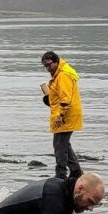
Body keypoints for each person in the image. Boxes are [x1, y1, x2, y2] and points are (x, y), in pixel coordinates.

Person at [39, 51, 84, 179]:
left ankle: (61, 175)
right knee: (63, 144)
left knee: (59, 146)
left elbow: (65, 99)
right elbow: (59, 97)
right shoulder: (59, 74)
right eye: (45, 66)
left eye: (49, 65)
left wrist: (60, 115)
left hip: (65, 116)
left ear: (56, 61)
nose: (48, 68)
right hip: (65, 114)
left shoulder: (63, 75)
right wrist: (49, 100)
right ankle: (76, 172)